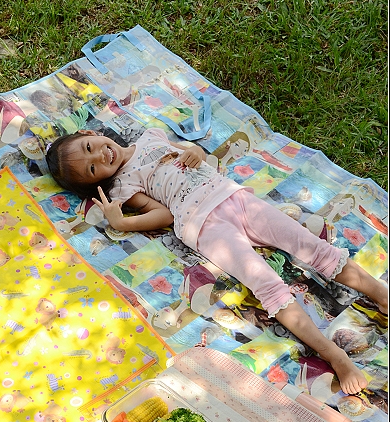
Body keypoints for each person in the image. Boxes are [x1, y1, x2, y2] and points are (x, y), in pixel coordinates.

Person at [46, 128, 388, 395]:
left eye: (91, 148)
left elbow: (199, 156)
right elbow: (162, 213)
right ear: (97, 182)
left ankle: (380, 294)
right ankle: (333, 354)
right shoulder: (123, 184)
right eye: (93, 169)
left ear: (88, 135)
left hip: (234, 197)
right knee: (268, 285)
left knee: (312, 247)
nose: (101, 156)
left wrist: (195, 151)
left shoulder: (150, 136)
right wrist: (121, 222)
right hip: (203, 225)